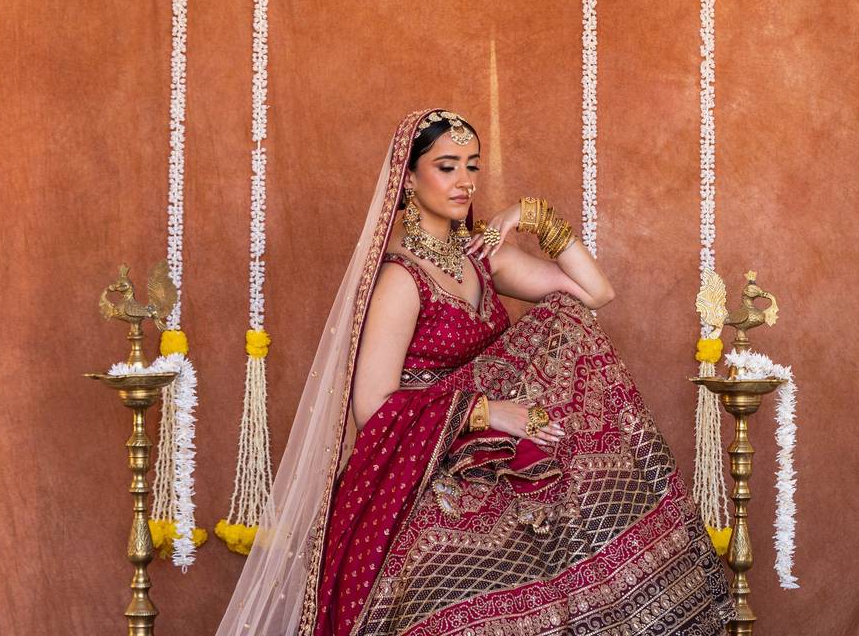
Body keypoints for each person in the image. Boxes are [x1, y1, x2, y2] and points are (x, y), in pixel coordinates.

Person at [216, 109, 734, 636]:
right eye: (446, 167)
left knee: (566, 320)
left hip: (503, 452)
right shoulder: (402, 278)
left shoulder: (482, 254)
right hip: (424, 462)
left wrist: (530, 215)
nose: (464, 181)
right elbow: (372, 405)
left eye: (472, 166)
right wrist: (486, 410)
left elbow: (594, 294)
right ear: (409, 179)